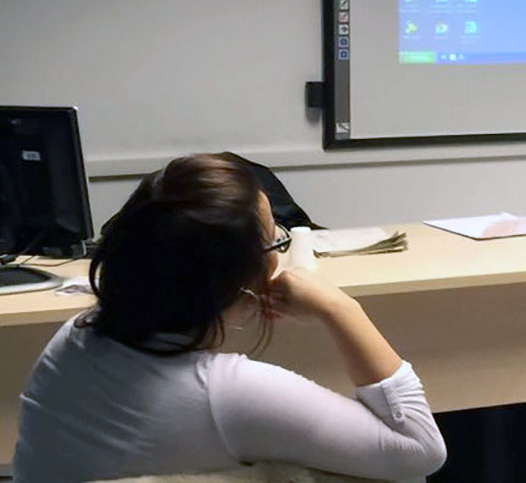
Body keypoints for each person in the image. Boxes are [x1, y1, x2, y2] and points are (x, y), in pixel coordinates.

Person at [13, 153, 446, 482]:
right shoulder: (229, 394)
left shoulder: (73, 338)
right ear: (243, 279)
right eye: (274, 241)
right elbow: (419, 450)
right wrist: (341, 308)